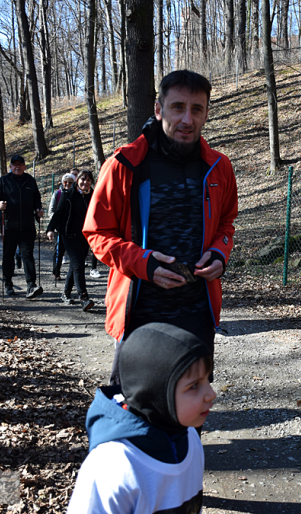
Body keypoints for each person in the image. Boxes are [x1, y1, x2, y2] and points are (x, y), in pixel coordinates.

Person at [84, 70, 238, 385]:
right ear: (159, 109)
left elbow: (226, 223)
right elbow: (97, 233)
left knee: (190, 412)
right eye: (177, 107)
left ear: (207, 113)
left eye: (197, 109)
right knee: (135, 415)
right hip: (139, 313)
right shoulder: (124, 164)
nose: (187, 119)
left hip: (196, 314)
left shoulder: (219, 167)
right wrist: (143, 263)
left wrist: (220, 254)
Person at [67, 323, 215, 513]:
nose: (211, 394)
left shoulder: (190, 440)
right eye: (194, 386)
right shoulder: (112, 467)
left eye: (207, 380)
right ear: (155, 394)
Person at [0, 155, 44, 298]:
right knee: (8, 256)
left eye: (20, 164)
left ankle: (31, 285)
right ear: (10, 167)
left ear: (24, 166)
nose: (17, 167)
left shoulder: (30, 181)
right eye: (14, 165)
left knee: (28, 256)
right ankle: (8, 283)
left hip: (27, 226)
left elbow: (36, 198)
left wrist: (38, 209)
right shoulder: (3, 181)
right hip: (9, 226)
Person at [47, 170, 96, 311]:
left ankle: (66, 293)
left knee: (74, 266)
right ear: (77, 180)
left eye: (88, 180)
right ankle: (84, 297)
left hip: (85, 235)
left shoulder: (93, 196)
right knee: (79, 264)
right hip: (68, 234)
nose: (85, 182)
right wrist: (50, 229)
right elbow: (59, 213)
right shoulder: (68, 195)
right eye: (82, 179)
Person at [49, 173, 75, 281]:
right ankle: (56, 271)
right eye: (65, 182)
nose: (67, 184)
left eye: (70, 182)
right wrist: (55, 223)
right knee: (59, 251)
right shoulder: (57, 194)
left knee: (73, 253)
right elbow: (51, 211)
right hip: (59, 228)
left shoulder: (76, 194)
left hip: (72, 228)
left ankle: (72, 276)